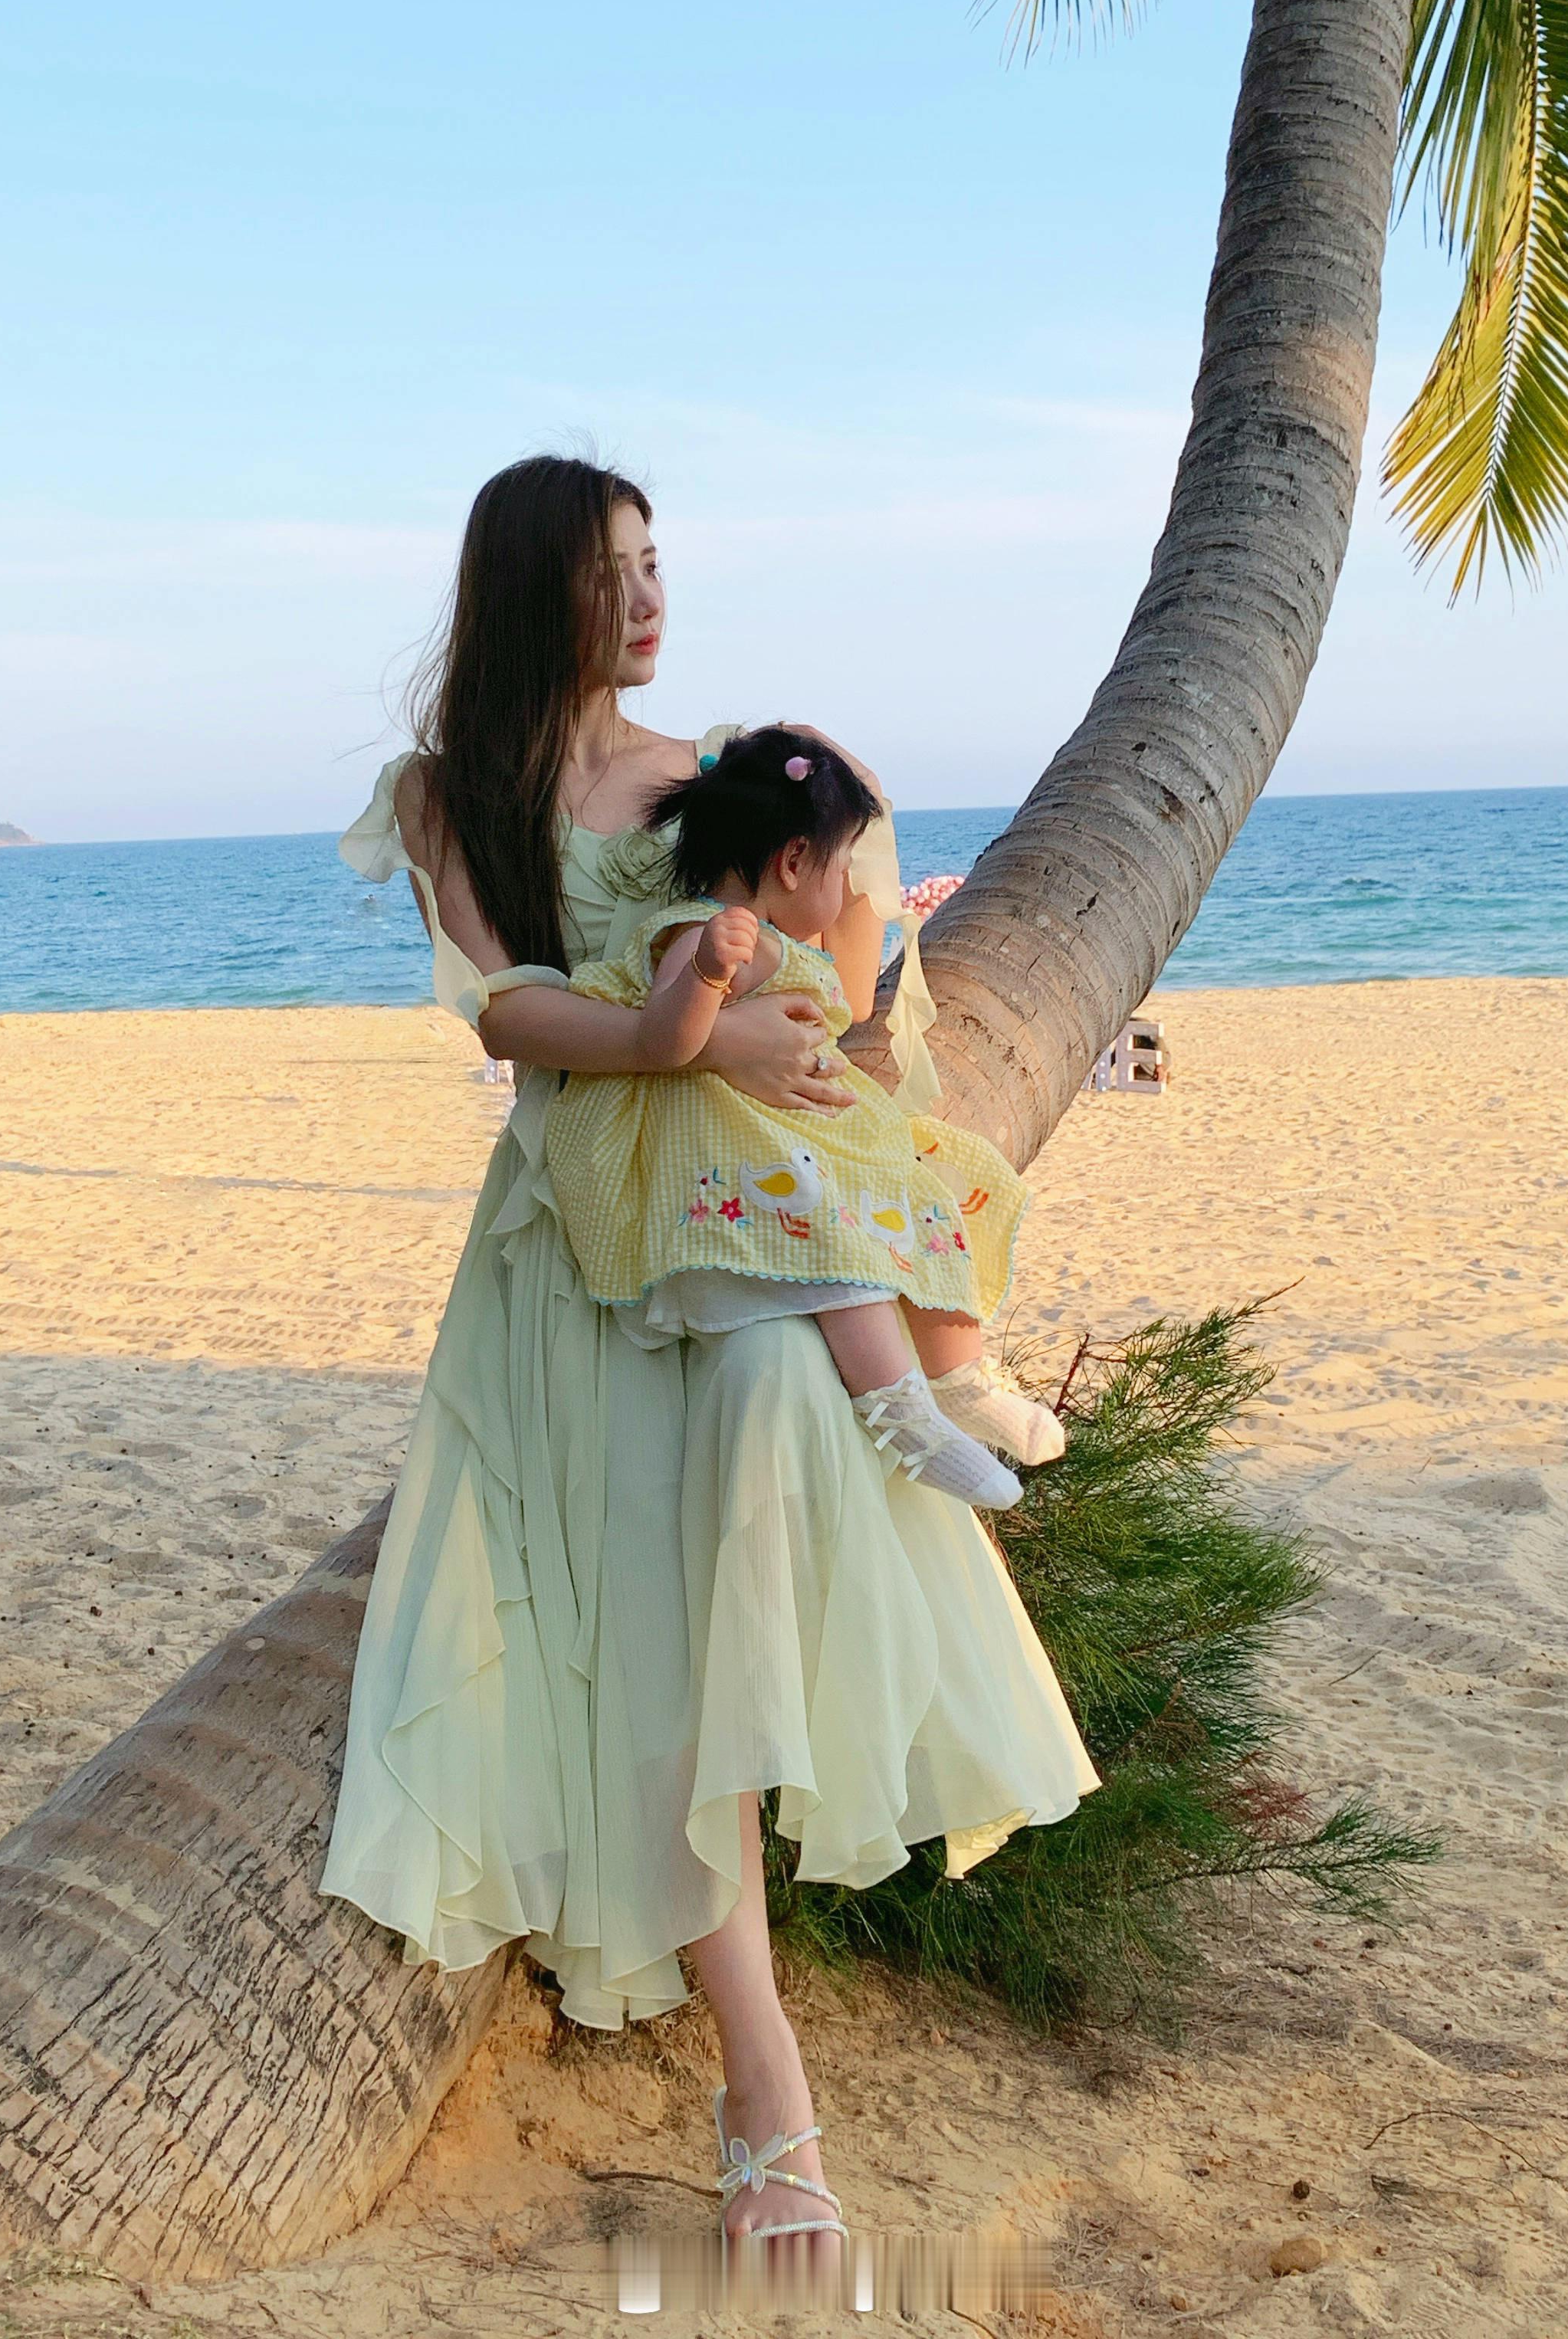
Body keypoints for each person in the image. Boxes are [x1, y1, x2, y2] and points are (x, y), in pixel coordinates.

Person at [320, 454, 1096, 2264]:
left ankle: (915, 1399)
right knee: (647, 1665)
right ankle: (769, 2097)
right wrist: (694, 1042)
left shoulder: (713, 777)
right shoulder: (448, 792)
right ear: (539, 589)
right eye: (619, 570)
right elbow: (508, 1011)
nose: (655, 598)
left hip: (747, 1233)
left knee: (746, 1604)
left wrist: (812, 964)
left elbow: (843, 957)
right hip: (574, 1250)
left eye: (661, 562)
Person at [544, 722, 1067, 1507]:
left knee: (930, 1195)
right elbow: (663, 1041)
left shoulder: (774, 938)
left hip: (814, 1127)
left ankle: (960, 1380)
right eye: (841, 863)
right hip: (752, 1141)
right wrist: (707, 976)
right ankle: (903, 1416)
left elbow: (846, 1006)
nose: (845, 883)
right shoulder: (712, 937)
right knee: (841, 1249)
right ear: (793, 862)